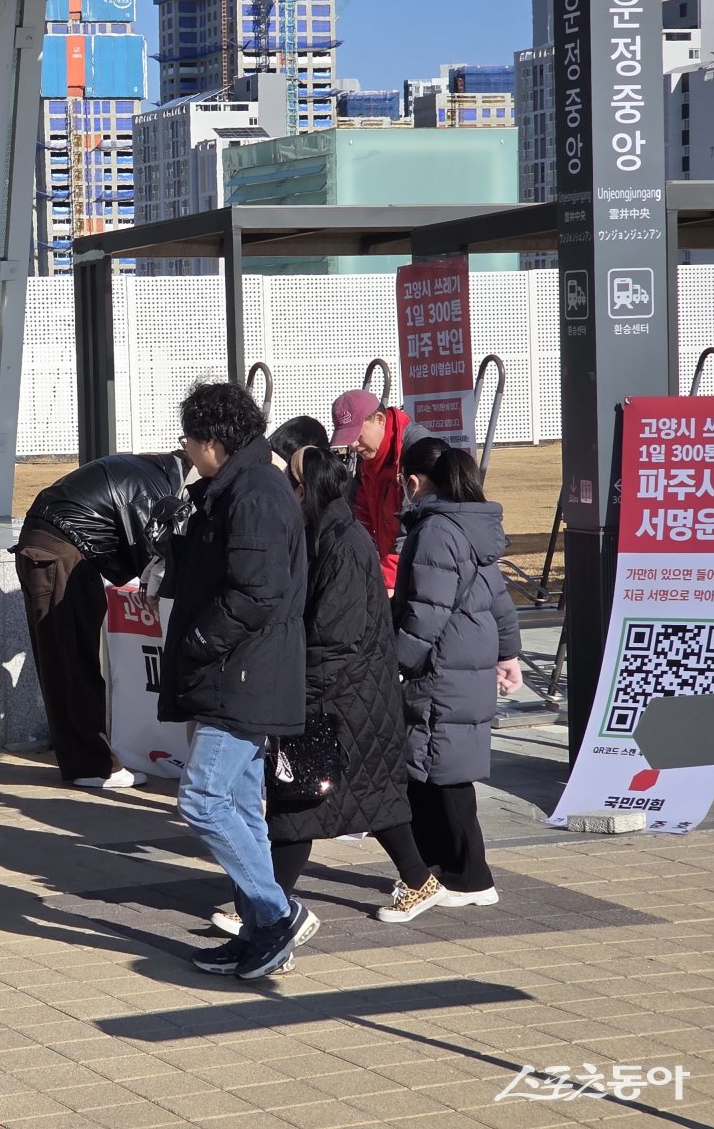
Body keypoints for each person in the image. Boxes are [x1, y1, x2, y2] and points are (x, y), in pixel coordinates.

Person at [210, 446, 443, 936]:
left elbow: (335, 637)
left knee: (301, 802)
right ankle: (419, 881)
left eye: (291, 484)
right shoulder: (325, 534)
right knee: (369, 797)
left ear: (307, 489)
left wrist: (298, 687)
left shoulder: (343, 543)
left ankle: (266, 902)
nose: (285, 493)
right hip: (352, 696)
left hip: (344, 696)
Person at [158, 382, 317, 980]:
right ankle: (260, 935)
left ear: (214, 443)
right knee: (243, 809)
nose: (186, 451)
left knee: (202, 799)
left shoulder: (254, 495)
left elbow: (256, 592)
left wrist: (201, 640)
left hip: (242, 673)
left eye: (189, 441)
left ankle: (276, 916)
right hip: (241, 671)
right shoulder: (236, 490)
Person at [394, 436, 522, 910]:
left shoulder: (435, 530)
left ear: (413, 481)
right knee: (435, 770)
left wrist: (396, 662)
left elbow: (426, 611)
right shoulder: (469, 525)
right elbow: (498, 598)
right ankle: (443, 871)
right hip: (464, 661)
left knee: (440, 773)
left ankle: (468, 877)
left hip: (442, 665)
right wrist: (508, 654)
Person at [13, 452, 178, 788]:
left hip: (53, 548)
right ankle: (92, 767)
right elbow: (155, 552)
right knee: (72, 662)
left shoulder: (143, 469)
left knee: (66, 661)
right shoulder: (155, 488)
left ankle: (86, 762)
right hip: (62, 554)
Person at [329, 390, 426, 592]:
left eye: (357, 435)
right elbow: (359, 516)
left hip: (422, 573)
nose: (353, 445)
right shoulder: (368, 462)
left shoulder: (417, 451)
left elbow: (418, 526)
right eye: (349, 438)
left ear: (380, 420)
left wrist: (385, 579)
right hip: (395, 573)